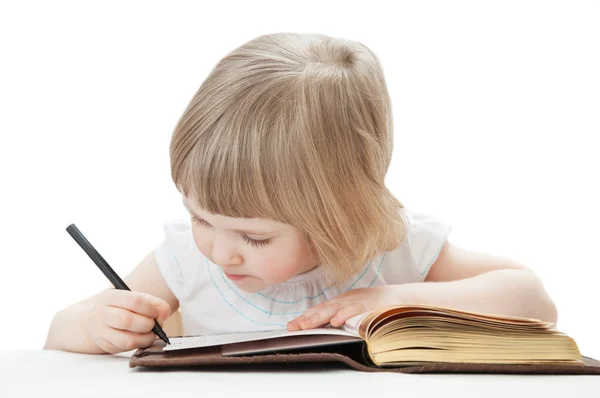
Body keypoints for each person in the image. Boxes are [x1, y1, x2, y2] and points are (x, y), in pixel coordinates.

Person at [44, 32, 557, 355]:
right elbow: (57, 335)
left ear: (341, 214)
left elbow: (534, 301)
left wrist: (397, 298)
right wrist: (94, 325)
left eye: (254, 236)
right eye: (199, 217)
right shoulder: (183, 262)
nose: (219, 250)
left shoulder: (394, 251)